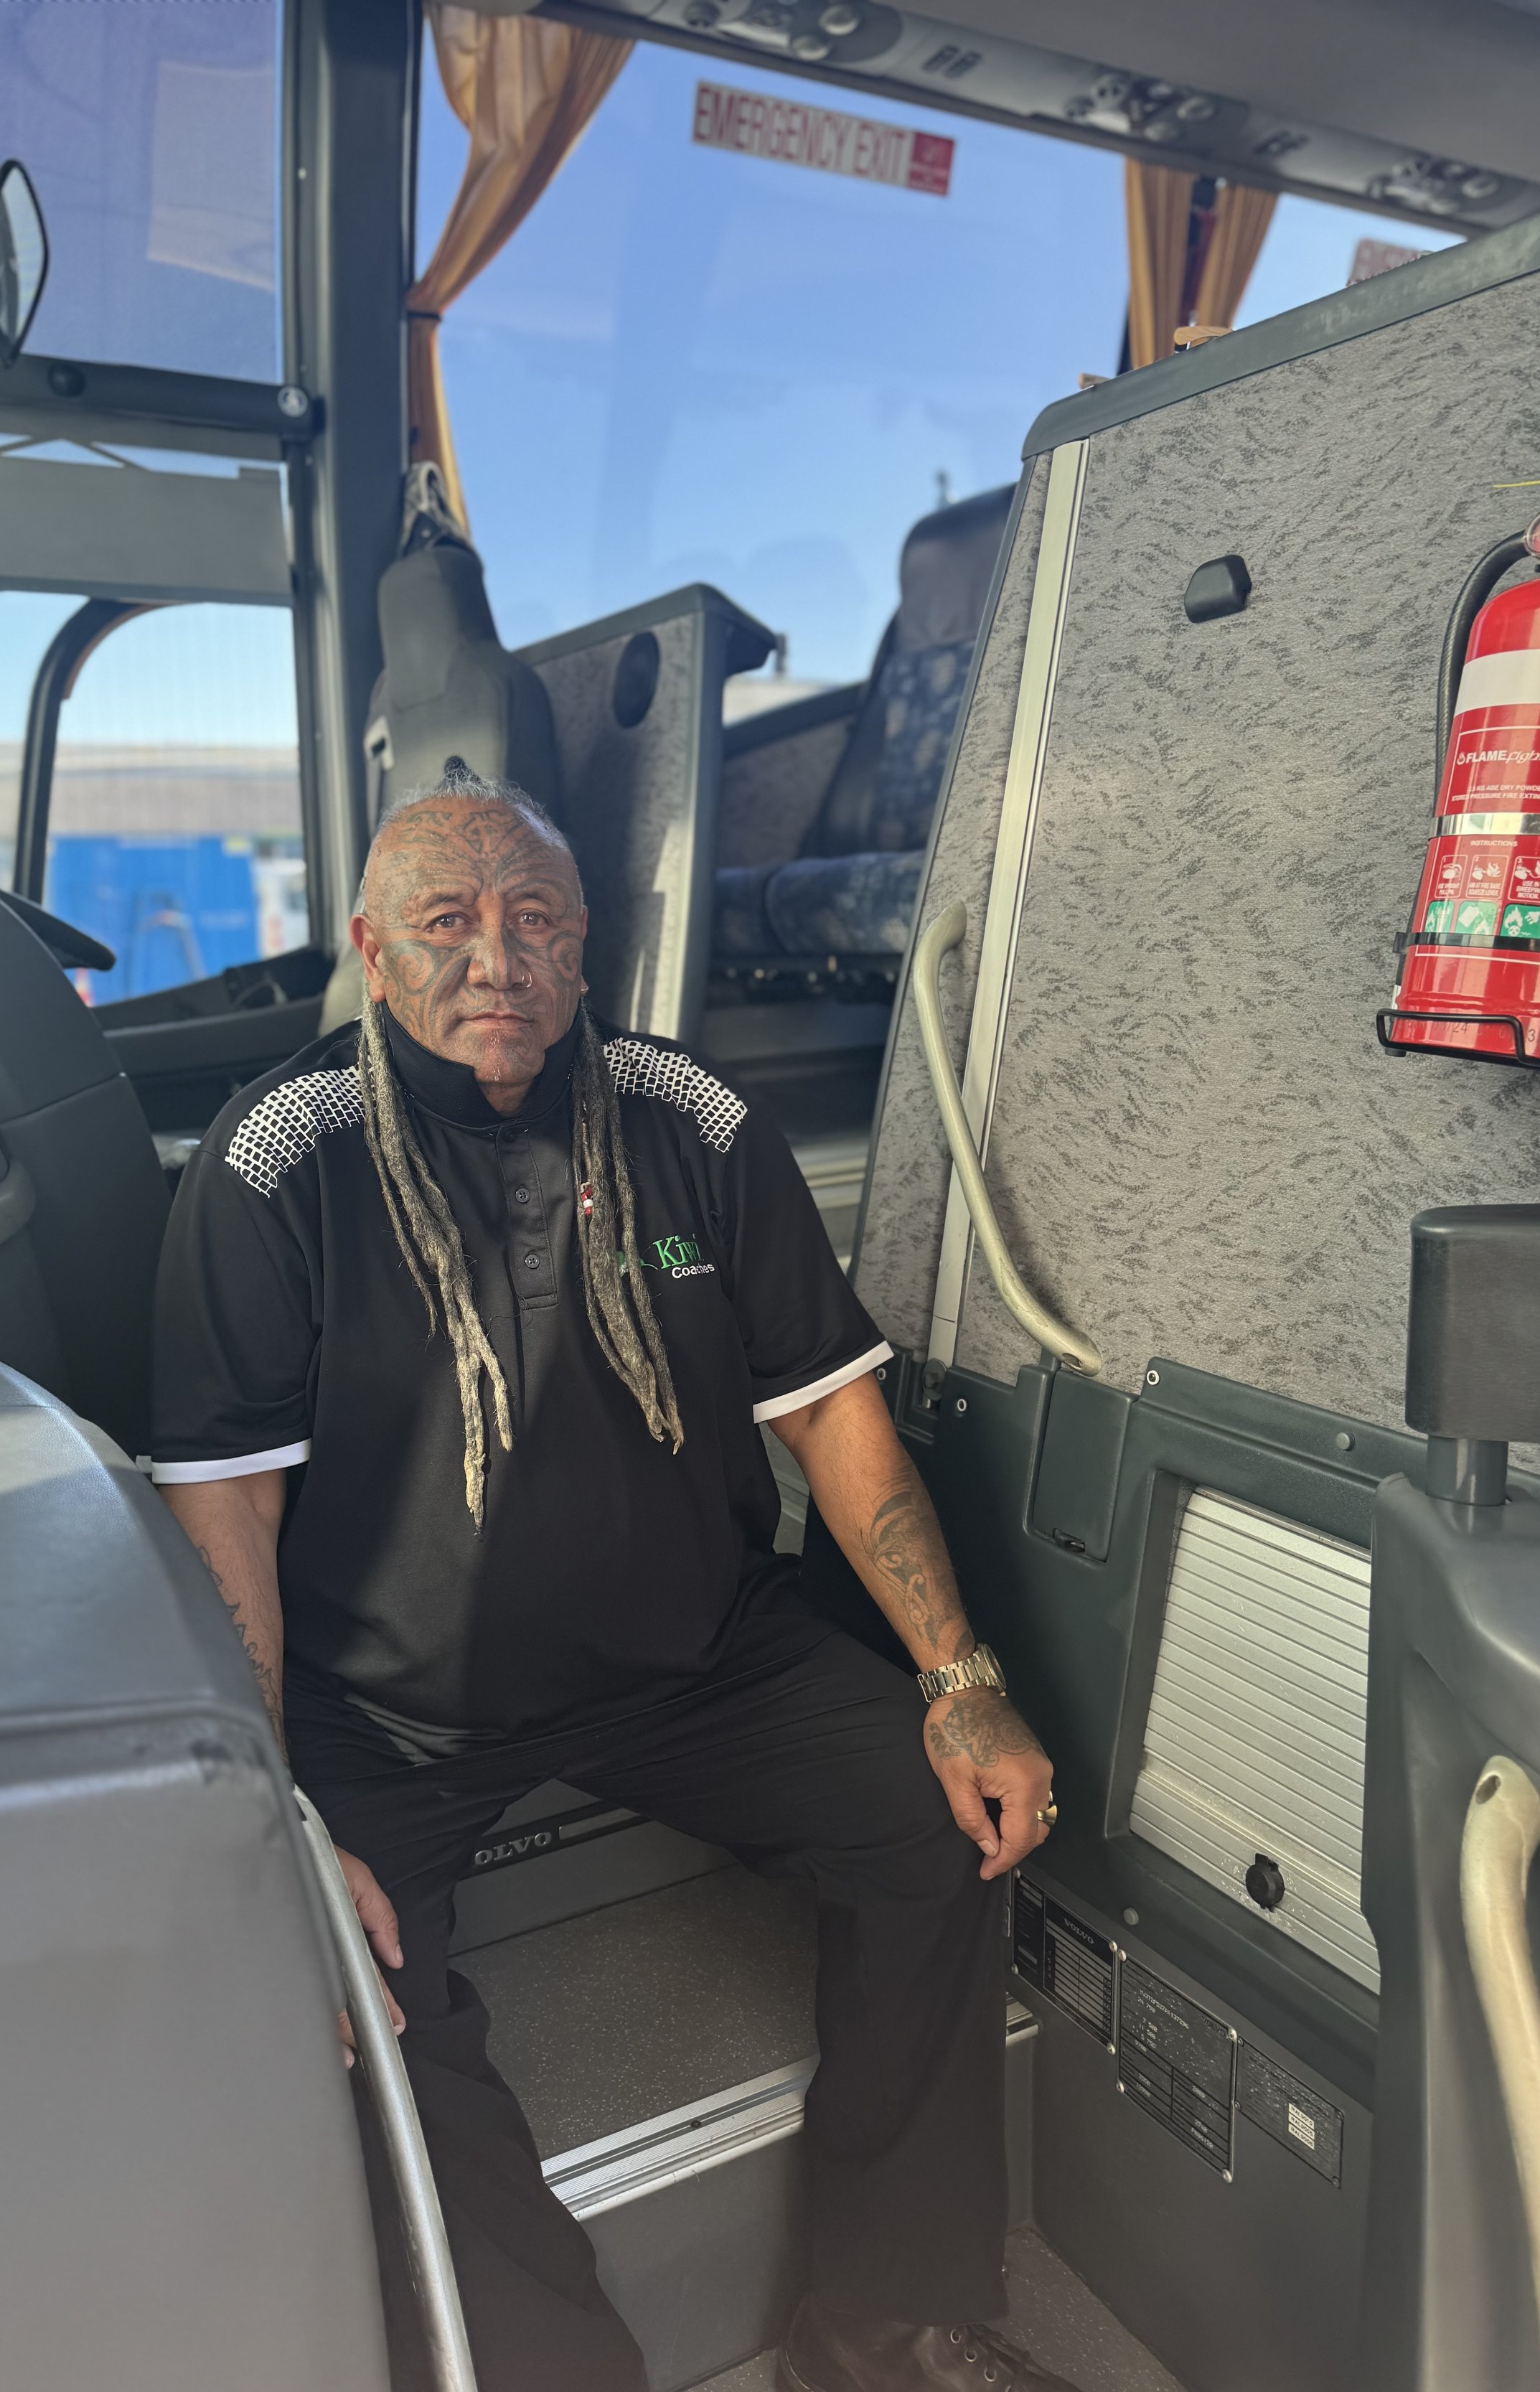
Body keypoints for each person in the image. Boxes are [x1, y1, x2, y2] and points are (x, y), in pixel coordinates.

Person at [151, 766, 1071, 2392]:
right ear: (371, 947)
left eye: (536, 920)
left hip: (696, 1655)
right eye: (447, 920)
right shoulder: (274, 1159)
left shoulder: (688, 1117)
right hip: (391, 1711)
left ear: (586, 949)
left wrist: (957, 1676)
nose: (494, 957)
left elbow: (833, 1417)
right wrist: (275, 1824)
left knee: (940, 1818)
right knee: (338, 1985)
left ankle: (875, 2319)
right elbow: (225, 1520)